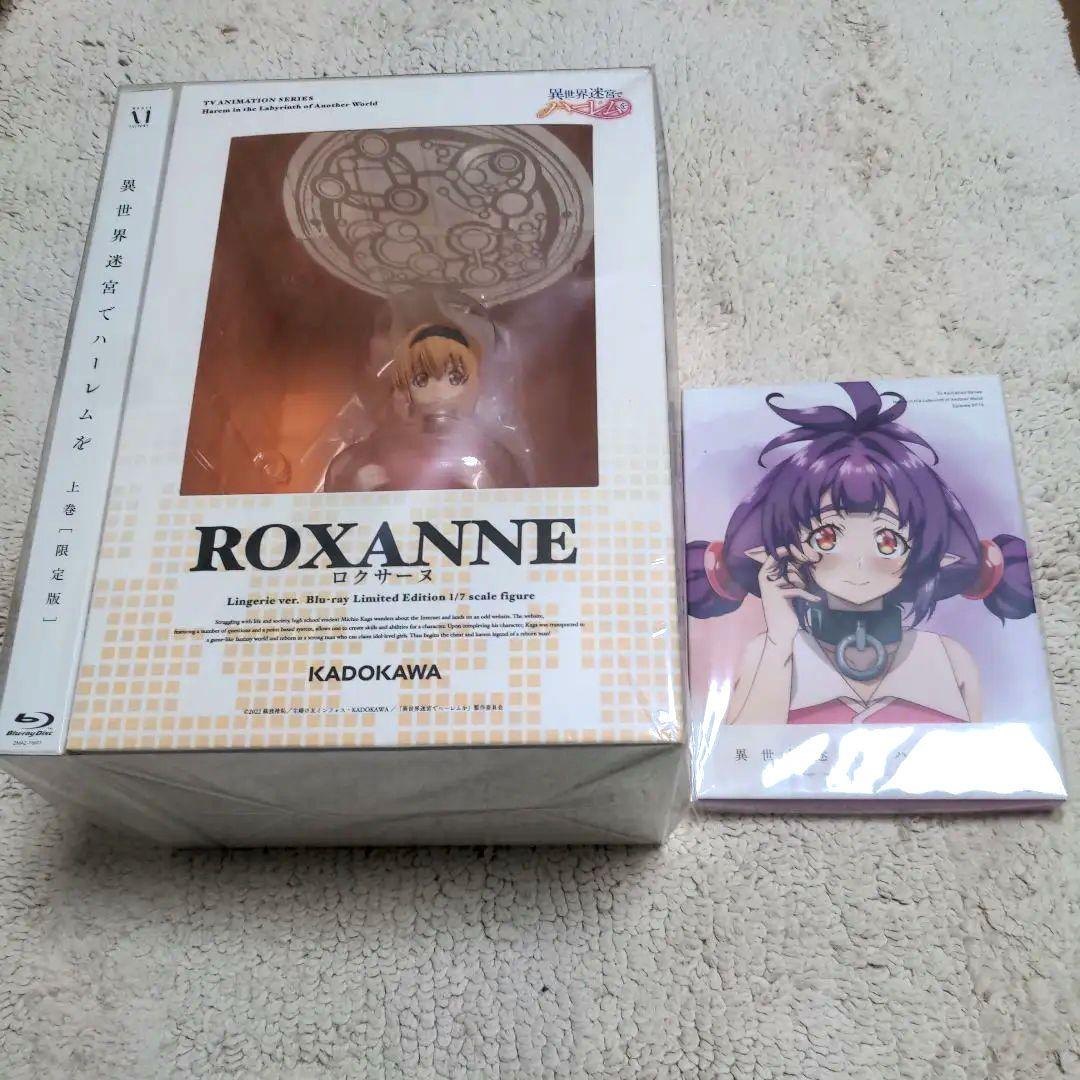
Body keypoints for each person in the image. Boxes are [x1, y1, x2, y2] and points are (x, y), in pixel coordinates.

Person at [686, 381, 1035, 725]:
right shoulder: (767, 651)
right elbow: (743, 755)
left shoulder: (950, 660)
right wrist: (780, 640)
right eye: (826, 536)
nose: (857, 561)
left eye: (888, 541)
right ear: (788, 542)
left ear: (923, 548)